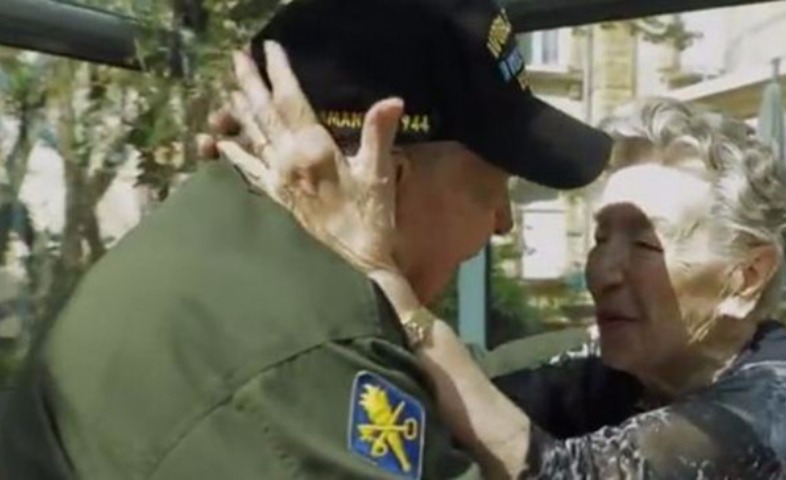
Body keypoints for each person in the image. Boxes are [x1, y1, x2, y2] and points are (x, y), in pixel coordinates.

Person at [0, 0, 620, 478]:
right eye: (492, 187)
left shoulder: (250, 247)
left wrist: (630, 355)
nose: (503, 222)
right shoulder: (305, 350)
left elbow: (430, 380)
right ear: (387, 175)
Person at [218, 43, 786, 478]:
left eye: (644, 244)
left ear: (746, 277)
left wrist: (381, 273)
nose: (603, 271)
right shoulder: (623, 371)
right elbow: (445, 407)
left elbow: (563, 474)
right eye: (600, 237)